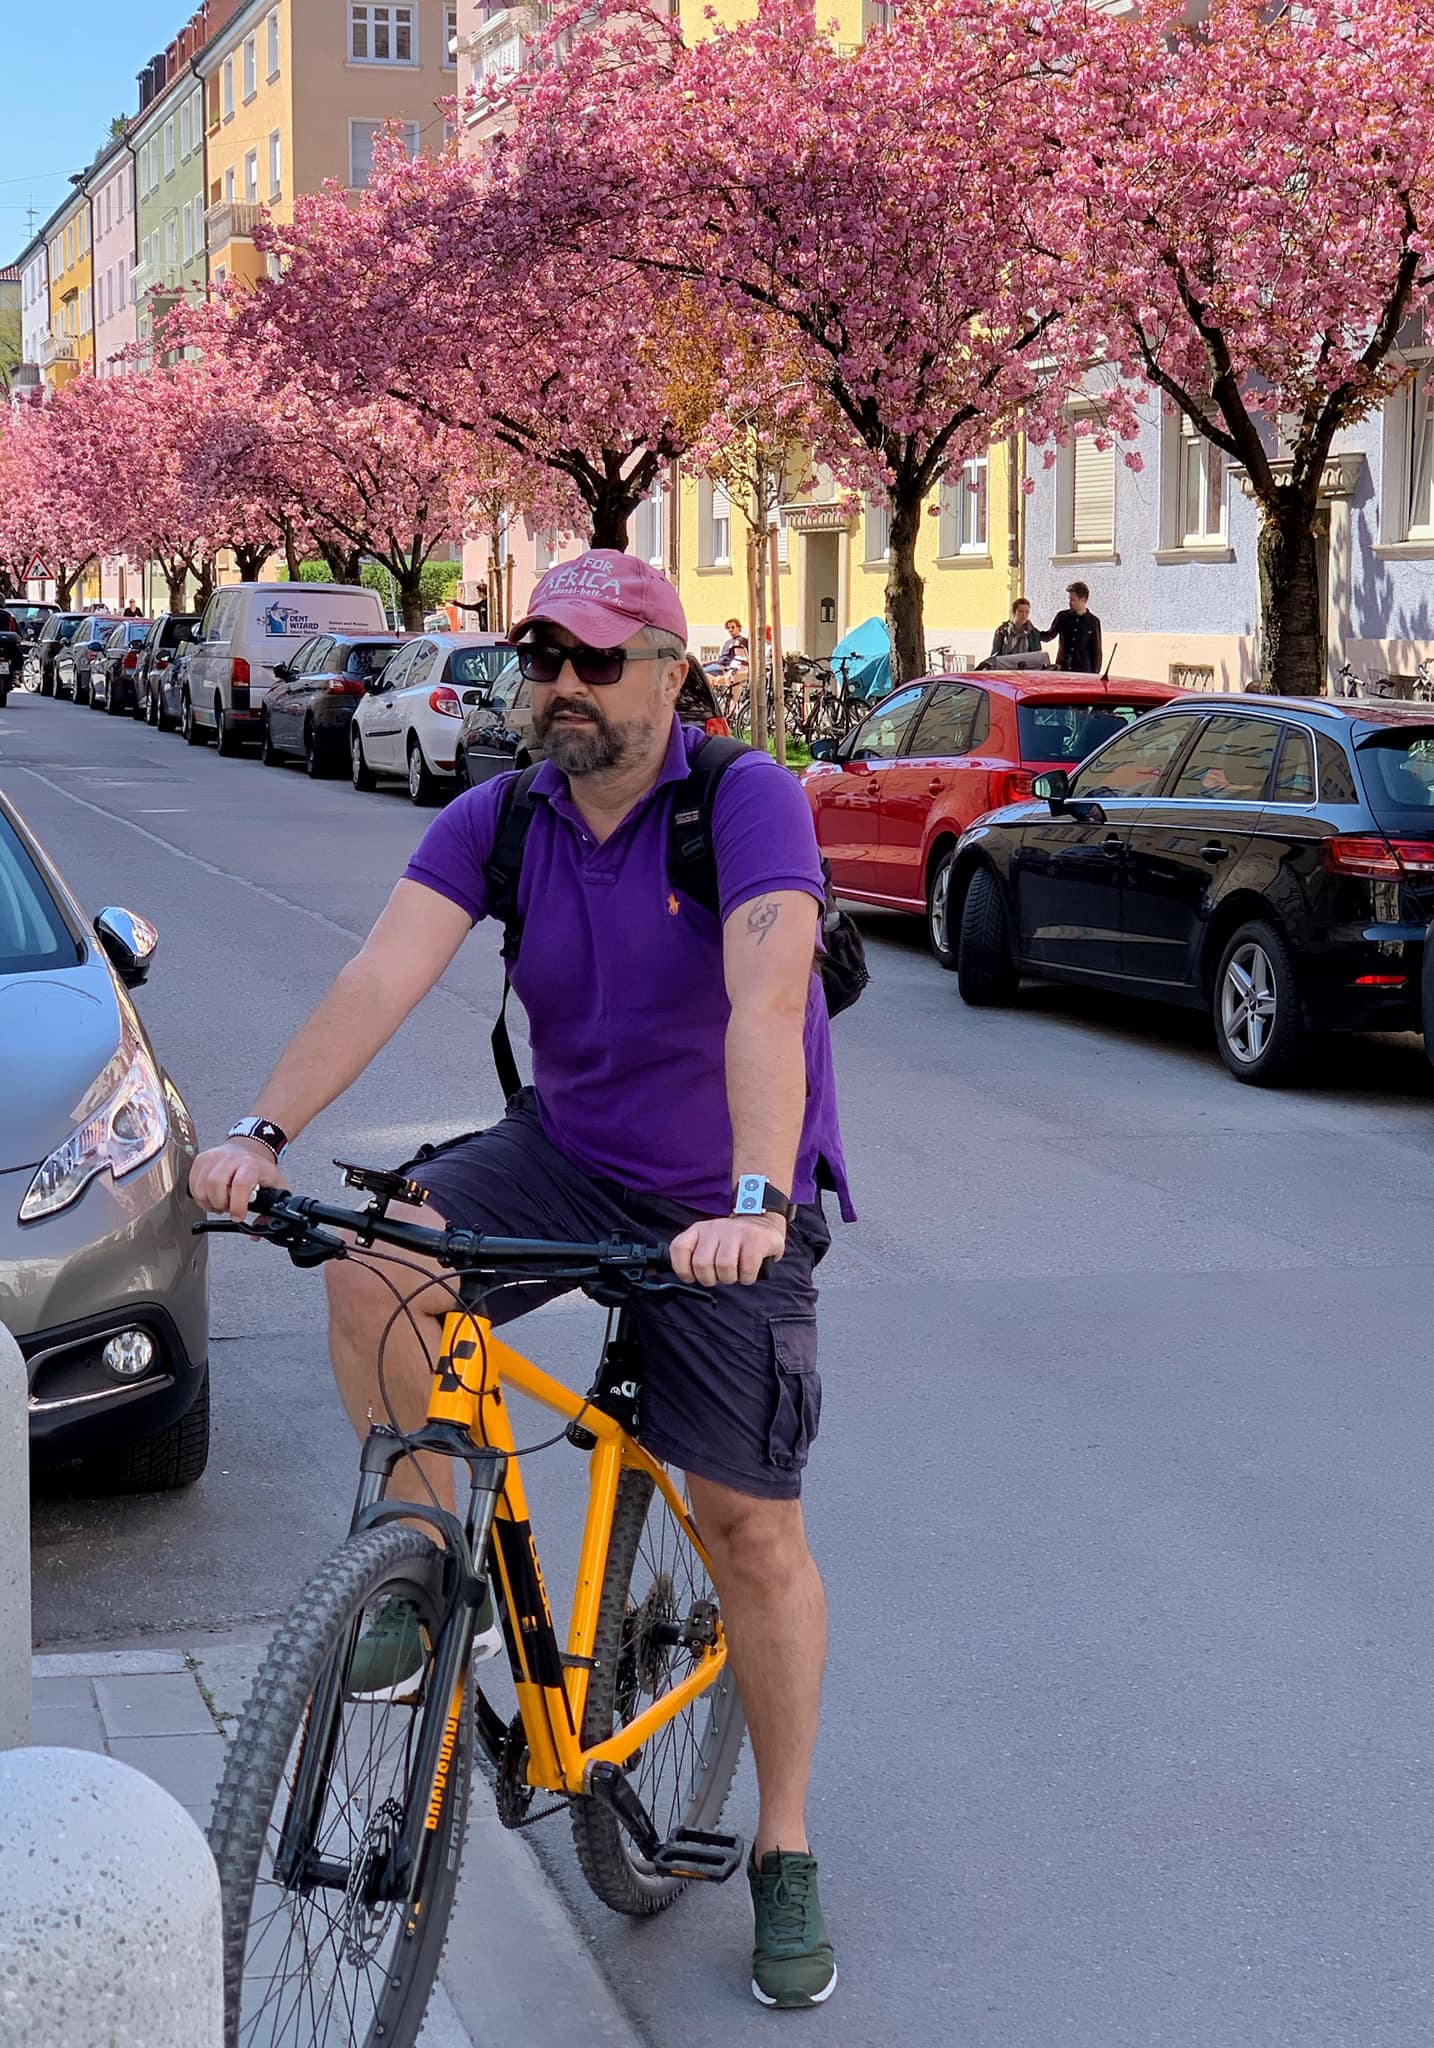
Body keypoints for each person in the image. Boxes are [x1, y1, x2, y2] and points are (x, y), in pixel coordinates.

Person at [188, 547, 851, 2013]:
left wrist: (750, 1199)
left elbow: (766, 995)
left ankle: (784, 1847)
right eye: (538, 655)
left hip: (721, 1191)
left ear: (673, 673)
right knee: (373, 1258)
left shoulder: (737, 800)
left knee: (747, 1529)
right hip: (570, 1151)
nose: (558, 684)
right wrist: (258, 1130)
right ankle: (430, 1578)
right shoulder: (502, 818)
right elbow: (379, 974)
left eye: (596, 658)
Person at [1038, 581, 1103, 674]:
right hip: (1062, 667)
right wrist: (1032, 631)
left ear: (1083, 600)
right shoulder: (1062, 617)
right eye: (1069, 599)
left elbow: (1096, 651)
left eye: (1073, 600)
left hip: (1083, 671)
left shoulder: (1093, 622)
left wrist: (1095, 673)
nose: (1070, 603)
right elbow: (1049, 636)